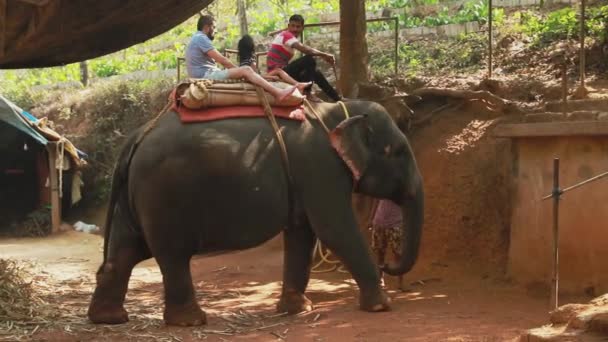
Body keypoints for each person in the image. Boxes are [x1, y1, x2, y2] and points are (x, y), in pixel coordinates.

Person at [185, 15, 297, 102]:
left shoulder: (197, 38)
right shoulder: (201, 38)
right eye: (214, 27)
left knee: (245, 71)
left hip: (205, 73)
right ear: (207, 27)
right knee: (246, 69)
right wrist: (240, 72)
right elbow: (223, 61)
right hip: (205, 76)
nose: (215, 30)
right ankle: (278, 93)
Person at [267, 14, 343, 102]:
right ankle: (307, 93)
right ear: (288, 26)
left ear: (302, 28)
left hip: (284, 72)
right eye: (293, 26)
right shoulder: (286, 35)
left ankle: (337, 98)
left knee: (316, 73)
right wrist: (324, 55)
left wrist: (323, 55)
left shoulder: (289, 37)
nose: (295, 29)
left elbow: (306, 49)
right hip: (277, 74)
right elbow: (307, 50)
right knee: (309, 59)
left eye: (298, 26)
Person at [237, 34, 312, 94]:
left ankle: (297, 84)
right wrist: (271, 78)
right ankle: (297, 84)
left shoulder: (243, 61)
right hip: (256, 79)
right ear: (251, 47)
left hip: (254, 78)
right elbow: (255, 76)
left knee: (277, 71)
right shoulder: (250, 61)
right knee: (278, 71)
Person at [368, 199, 405, 291]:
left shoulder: (400, 186)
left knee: (398, 253)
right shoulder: (381, 186)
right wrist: (371, 218)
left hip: (395, 223)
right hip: (379, 222)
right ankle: (380, 280)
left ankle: (400, 282)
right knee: (380, 253)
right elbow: (376, 200)